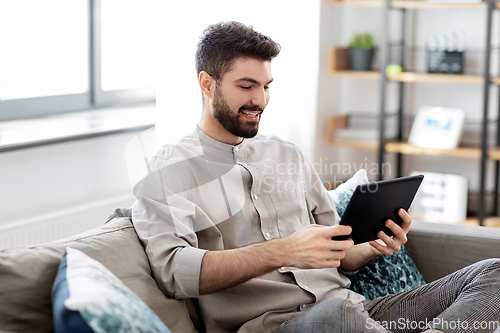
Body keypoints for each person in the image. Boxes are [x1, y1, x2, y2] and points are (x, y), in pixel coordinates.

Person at [132, 21, 500, 333]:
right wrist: (283, 251)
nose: (260, 100)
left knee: (494, 273)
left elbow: (341, 254)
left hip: (356, 312)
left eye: (266, 86)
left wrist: (374, 245)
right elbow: (173, 271)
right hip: (277, 325)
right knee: (337, 316)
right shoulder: (171, 168)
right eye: (246, 86)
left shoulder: (286, 154)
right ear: (207, 84)